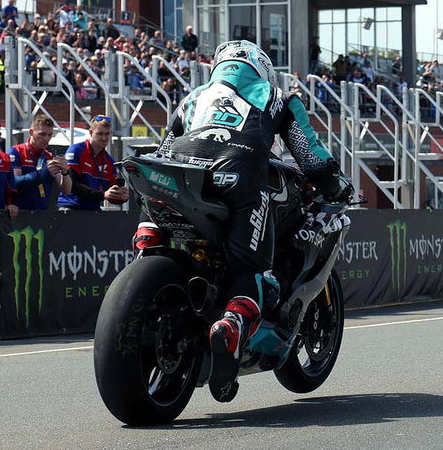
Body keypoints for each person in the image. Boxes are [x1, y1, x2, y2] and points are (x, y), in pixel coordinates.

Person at [162, 39, 351, 402]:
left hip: (182, 174)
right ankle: (232, 324)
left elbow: (164, 148)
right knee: (254, 268)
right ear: (259, 67)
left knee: (156, 206)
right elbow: (310, 156)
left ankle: (146, 245)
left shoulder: (194, 96)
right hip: (239, 176)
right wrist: (336, 185)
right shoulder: (276, 95)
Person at [57, 116, 128, 212]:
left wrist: (120, 196)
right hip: (71, 208)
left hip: (93, 211)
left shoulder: (109, 161)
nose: (104, 138)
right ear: (91, 132)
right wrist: (103, 195)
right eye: (99, 134)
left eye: (107, 134)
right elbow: (72, 185)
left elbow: (109, 194)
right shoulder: (76, 151)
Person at [11, 114, 69, 211]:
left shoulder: (48, 156)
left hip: (42, 214)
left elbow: (66, 190)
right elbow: (15, 183)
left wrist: (65, 172)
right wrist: (42, 173)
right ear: (31, 132)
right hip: (21, 214)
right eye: (42, 134)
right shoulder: (16, 152)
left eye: (50, 135)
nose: (46, 139)